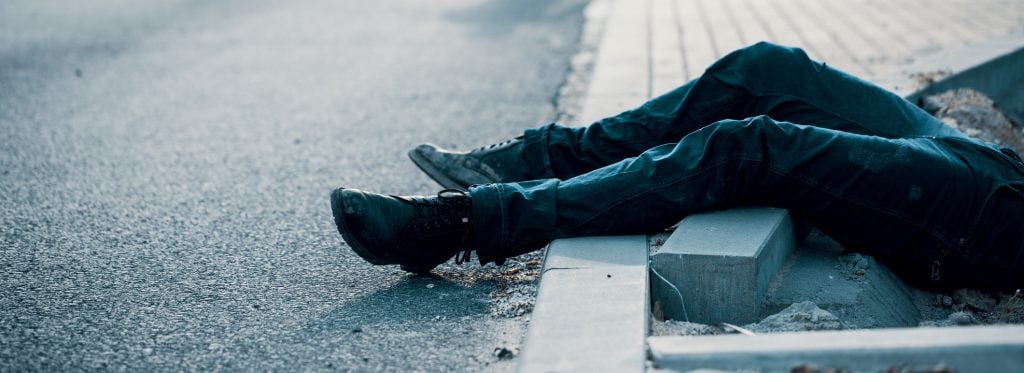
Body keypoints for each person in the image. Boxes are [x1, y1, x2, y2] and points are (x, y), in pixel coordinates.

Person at [330, 42, 1023, 291]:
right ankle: (529, 159)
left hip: (1000, 219)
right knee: (764, 68)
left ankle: (464, 222)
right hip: (990, 158)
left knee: (745, 147)